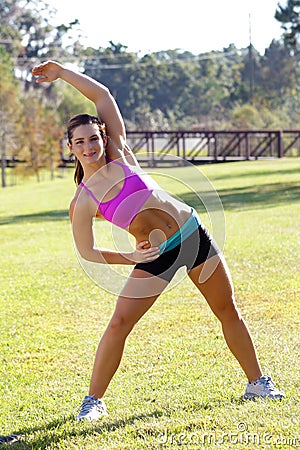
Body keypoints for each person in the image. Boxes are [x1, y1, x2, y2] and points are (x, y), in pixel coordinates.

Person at [32, 60, 284, 421]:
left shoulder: (119, 153)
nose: (89, 146)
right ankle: (93, 402)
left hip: (193, 234)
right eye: (80, 142)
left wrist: (63, 73)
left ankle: (258, 383)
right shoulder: (83, 201)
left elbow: (102, 95)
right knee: (120, 324)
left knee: (227, 309)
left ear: (103, 137)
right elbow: (87, 252)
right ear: (70, 148)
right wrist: (130, 255)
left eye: (93, 138)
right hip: (156, 255)